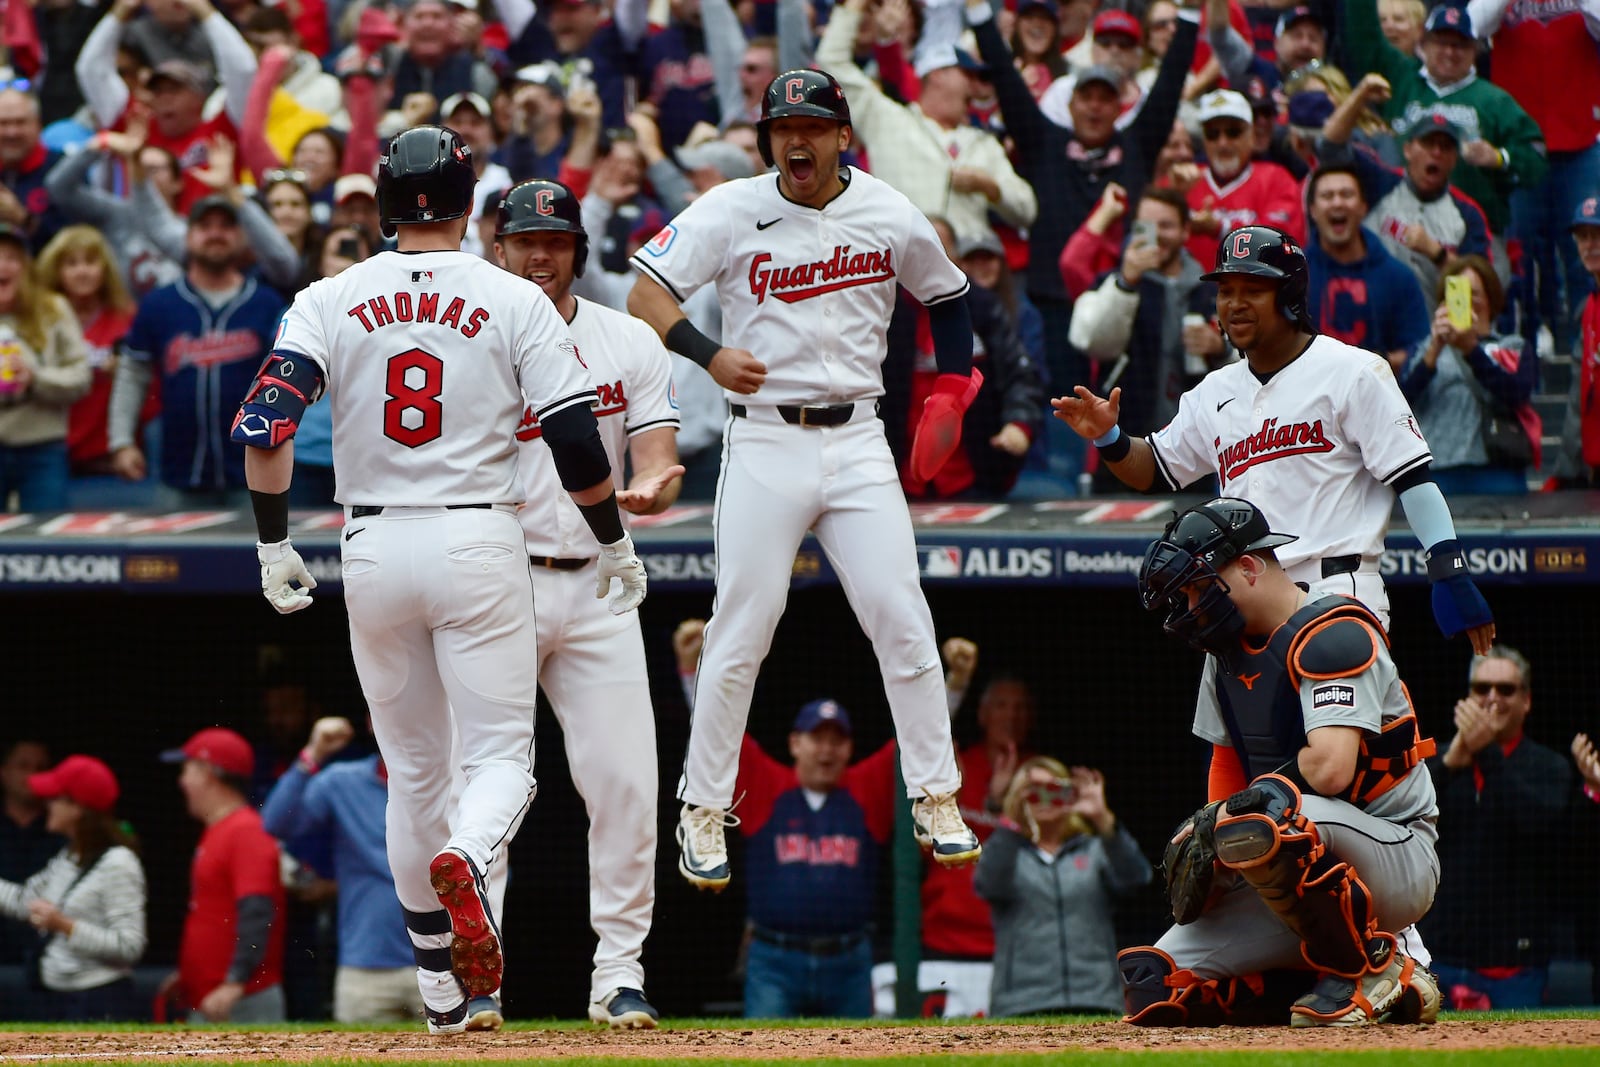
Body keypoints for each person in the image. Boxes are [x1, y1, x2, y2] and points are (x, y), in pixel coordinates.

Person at [230, 125, 646, 1034]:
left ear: (383, 202)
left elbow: (264, 428)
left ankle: (437, 991)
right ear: (471, 204)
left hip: (370, 543)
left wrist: (271, 545)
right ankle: (467, 856)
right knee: (501, 760)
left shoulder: (328, 295)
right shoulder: (512, 296)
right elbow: (577, 440)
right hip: (478, 538)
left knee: (415, 770)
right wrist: (612, 540)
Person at [626, 69, 982, 892]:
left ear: (841, 136)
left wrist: (954, 388)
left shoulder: (889, 210)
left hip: (859, 438)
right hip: (766, 441)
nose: (798, 139)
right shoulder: (731, 207)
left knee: (902, 617)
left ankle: (937, 793)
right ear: (767, 139)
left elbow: (952, 299)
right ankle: (703, 807)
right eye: (784, 127)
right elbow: (648, 291)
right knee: (743, 624)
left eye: (814, 126)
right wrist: (707, 351)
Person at [1053, 224, 1494, 652]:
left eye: (1253, 290)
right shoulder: (1214, 392)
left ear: (1289, 297)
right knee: (1227, 731)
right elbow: (1154, 469)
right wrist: (1108, 436)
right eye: (1226, 291)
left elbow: (1413, 479)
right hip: (1243, 600)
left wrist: (1448, 567)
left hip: (1336, 591)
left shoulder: (1354, 370)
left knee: (1334, 729)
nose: (1235, 304)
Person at [1121, 498, 1442, 1027]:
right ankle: (1295, 986)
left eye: (1199, 585)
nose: (1191, 603)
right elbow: (1225, 770)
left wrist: (1232, 819)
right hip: (1293, 859)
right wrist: (1216, 848)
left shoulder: (1334, 633)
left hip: (1396, 851)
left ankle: (1374, 970)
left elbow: (1330, 768)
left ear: (1248, 567)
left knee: (1264, 817)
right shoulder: (1222, 656)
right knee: (1155, 984)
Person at [493, 177, 683, 1030]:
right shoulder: (474, 341)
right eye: (526, 240)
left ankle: (619, 975)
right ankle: (473, 979)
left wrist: (650, 487)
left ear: (578, 249)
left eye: (556, 242)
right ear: (497, 247)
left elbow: (657, 454)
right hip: (498, 579)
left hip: (602, 574)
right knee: (487, 788)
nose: (541, 256)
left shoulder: (624, 338)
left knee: (627, 784)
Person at [262, 715, 500, 1027]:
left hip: (449, 963)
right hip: (366, 966)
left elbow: (490, 857)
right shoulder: (342, 782)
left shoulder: (459, 783)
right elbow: (276, 823)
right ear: (372, 723)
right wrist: (313, 753)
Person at [1420, 645, 1573, 1010]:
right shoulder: (1436, 763)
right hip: (1435, 962)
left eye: (1505, 690)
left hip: (1516, 967)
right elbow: (1400, 822)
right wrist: (1451, 760)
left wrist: (1485, 751)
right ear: (1467, 696)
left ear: (1526, 701)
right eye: (1481, 689)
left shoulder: (1549, 767)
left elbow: (1534, 822)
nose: (1492, 699)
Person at [107, 195, 286, 506]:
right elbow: (133, 374)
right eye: (205, 226)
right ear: (188, 237)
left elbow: (285, 382)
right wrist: (121, 441)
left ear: (242, 237)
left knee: (257, 555)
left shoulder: (266, 303)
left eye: (226, 226)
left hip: (254, 475)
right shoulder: (160, 303)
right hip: (177, 472)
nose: (215, 234)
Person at [816, 0, 1038, 248]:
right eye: (967, 75)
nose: (975, 86)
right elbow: (831, 61)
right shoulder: (889, 119)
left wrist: (991, 187)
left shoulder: (983, 143)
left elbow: (1027, 209)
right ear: (937, 74)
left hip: (971, 271)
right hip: (902, 266)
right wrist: (854, 5)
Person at [735, 698, 898, 1019]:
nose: (827, 750)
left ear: (850, 748)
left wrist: (955, 686)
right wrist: (691, 674)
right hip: (775, 960)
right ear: (795, 743)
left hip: (848, 961)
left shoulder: (865, 788)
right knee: (765, 1056)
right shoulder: (767, 785)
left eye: (836, 741)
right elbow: (723, 736)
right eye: (817, 739)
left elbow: (914, 739)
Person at [975, 757, 1150, 1016]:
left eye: (1053, 789)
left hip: (1095, 997)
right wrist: (1009, 819)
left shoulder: (1094, 849)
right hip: (1021, 1001)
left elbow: (1137, 878)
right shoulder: (1008, 850)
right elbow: (988, 884)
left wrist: (1103, 819)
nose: (1044, 798)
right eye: (1033, 791)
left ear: (1069, 794)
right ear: (1020, 798)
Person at [1068, 186, 1220, 476]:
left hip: (1195, 451)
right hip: (1122, 445)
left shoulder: (1210, 292)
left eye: (1166, 225)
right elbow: (1091, 341)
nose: (1157, 234)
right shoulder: (1113, 282)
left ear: (1186, 231)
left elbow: (1245, 363)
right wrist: (1126, 283)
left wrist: (1219, 347)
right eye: (1146, 226)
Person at [0, 755, 146, 1021]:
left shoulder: (119, 863)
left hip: (100, 1003)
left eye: (55, 798)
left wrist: (65, 925)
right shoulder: (69, 855)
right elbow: (24, 901)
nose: (47, 804)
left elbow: (129, 946)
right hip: (59, 1000)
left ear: (77, 808)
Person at [159, 727, 286, 1023]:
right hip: (215, 997)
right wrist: (189, 974)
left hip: (240, 1001)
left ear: (208, 772)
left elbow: (258, 912)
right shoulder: (220, 829)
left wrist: (234, 982)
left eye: (187, 769)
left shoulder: (244, 831)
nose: (182, 781)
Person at [1316, 98, 1492, 307]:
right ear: (1408, 150)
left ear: (1454, 159)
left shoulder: (1467, 214)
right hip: (1368, 318)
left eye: (1445, 147)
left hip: (1436, 327)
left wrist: (1438, 254)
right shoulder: (1379, 183)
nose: (1436, 153)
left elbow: (1482, 290)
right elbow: (1329, 147)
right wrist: (1362, 93)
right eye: (1427, 143)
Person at [1397, 255, 1537, 495]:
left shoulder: (1512, 346)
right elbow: (1400, 405)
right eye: (1458, 293)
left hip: (1497, 469)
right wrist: (1434, 350)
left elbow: (1516, 394)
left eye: (1475, 293)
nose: (1467, 301)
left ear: (1491, 299)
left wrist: (1471, 349)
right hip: (1437, 471)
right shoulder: (1425, 350)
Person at [0, 223, 91, 512]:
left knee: (48, 538)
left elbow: (81, 376)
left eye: (12, 258)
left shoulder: (53, 309)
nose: (3, 267)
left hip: (42, 448)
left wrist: (35, 377)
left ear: (27, 268)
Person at [1304, 164, 1431, 370]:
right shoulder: (1293, 277)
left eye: (1346, 194)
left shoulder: (1399, 278)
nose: (1337, 203)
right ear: (1312, 211)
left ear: (1363, 207)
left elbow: (1419, 352)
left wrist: (1376, 364)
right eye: (1327, 196)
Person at [1180, 89, 1304, 272]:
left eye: (1233, 132)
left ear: (1252, 134)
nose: (1222, 143)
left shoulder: (1277, 179)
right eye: (1213, 134)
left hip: (1253, 293)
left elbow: (1282, 243)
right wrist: (1174, 199)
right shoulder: (1182, 180)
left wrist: (1220, 228)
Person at [0, 740, 62, 967]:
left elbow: (26, 900)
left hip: (48, 965)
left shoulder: (63, 833)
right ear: (4, 773)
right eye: (23, 766)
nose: (32, 775)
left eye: (40, 768)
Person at [1559, 194, 1600, 487]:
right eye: (1583, 236)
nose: (1590, 245)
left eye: (1598, 235)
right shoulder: (1588, 308)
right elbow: (1579, 399)